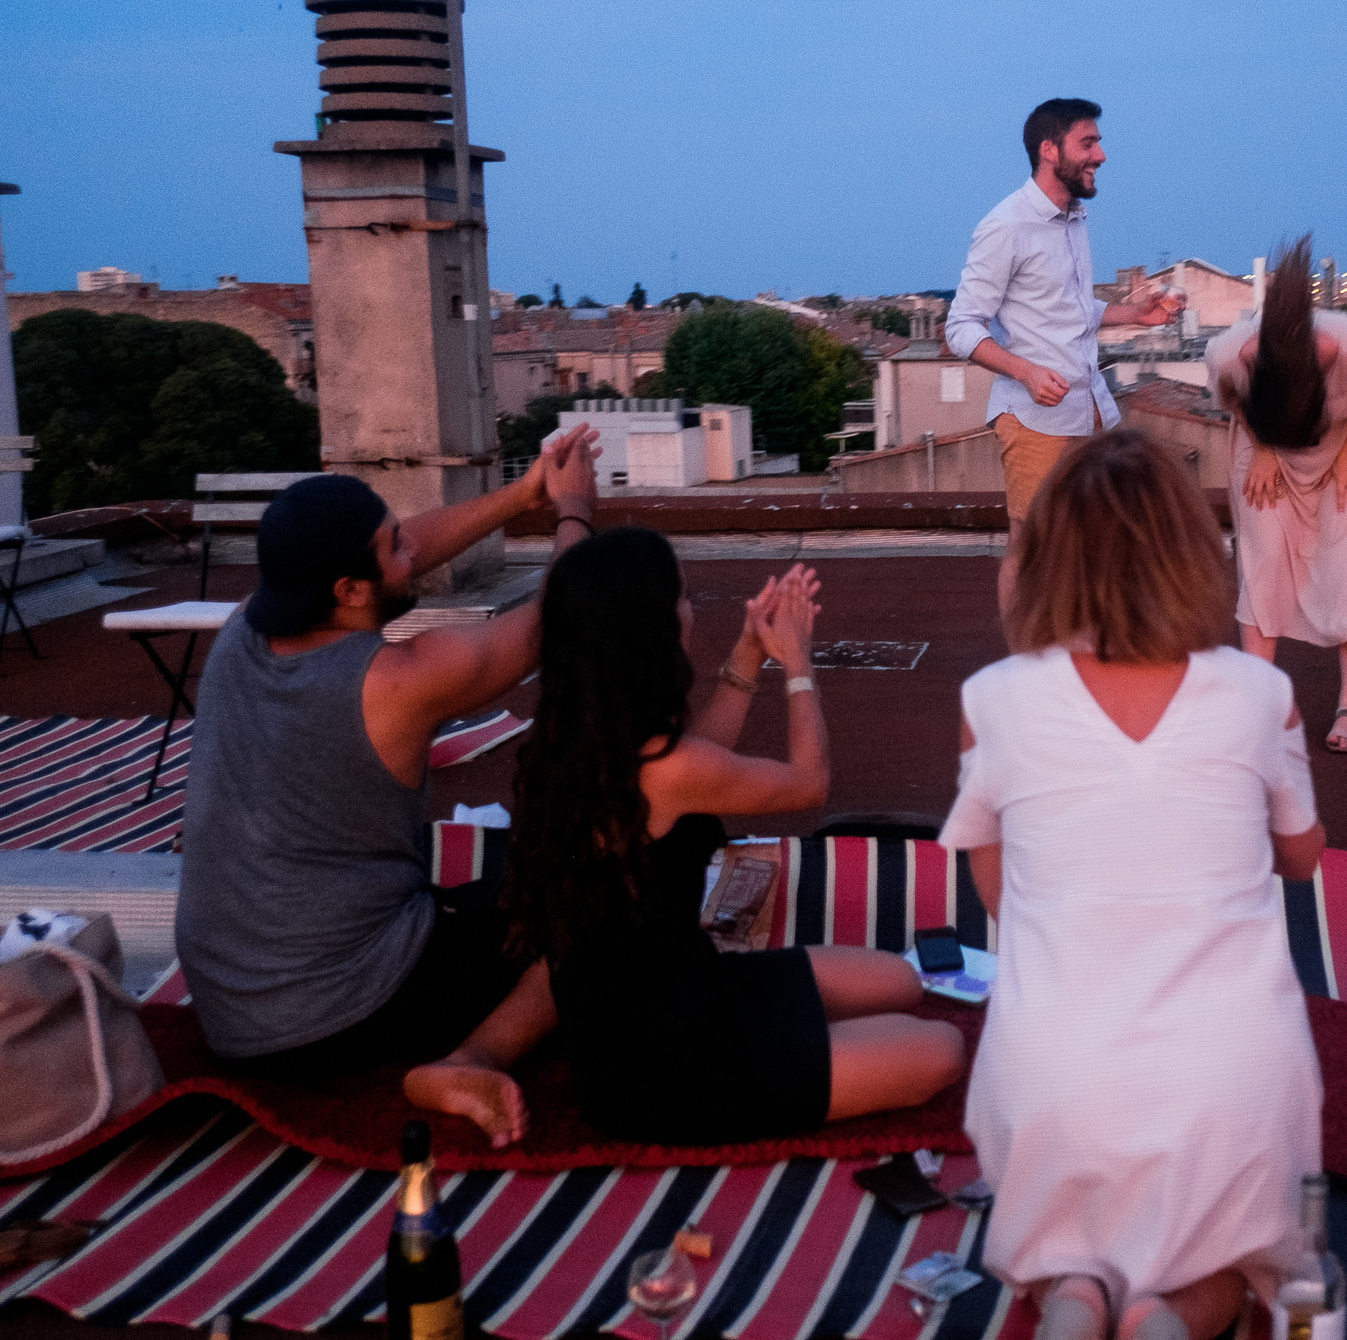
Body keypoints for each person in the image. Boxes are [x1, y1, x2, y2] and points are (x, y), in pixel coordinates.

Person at [941, 430, 1327, 1340]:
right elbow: (1304, 860)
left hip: (1056, 1066)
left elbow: (998, 894)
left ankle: (1069, 1302)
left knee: (1055, 1238)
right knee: (1234, 1260)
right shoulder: (1259, 695)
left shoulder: (992, 707)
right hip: (1230, 1073)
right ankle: (1164, 1328)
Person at [402, 530, 965, 1148]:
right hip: (674, 1068)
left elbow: (698, 764)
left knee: (902, 983)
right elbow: (809, 784)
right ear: (653, 628)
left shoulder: (574, 750)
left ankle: (470, 1057)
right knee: (942, 1048)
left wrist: (750, 653)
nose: (690, 608)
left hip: (675, 997)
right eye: (683, 597)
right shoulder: (668, 769)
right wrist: (799, 664)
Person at [175, 430, 601, 1073]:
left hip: (232, 1014)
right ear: (349, 589)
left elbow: (411, 546)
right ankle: (473, 1062)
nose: (413, 549)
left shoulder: (243, 629)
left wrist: (522, 493)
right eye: (394, 545)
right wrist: (575, 509)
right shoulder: (394, 681)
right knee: (605, 909)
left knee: (514, 874)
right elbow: (560, 619)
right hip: (346, 1015)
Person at [943, 98, 1183, 585]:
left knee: (1091, 543)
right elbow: (960, 327)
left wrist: (1134, 314)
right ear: (1049, 150)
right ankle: (1027, 661)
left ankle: (1079, 655)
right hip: (1034, 420)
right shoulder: (1005, 226)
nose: (1101, 155)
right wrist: (1026, 372)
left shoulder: (1073, 218)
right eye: (1088, 143)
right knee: (1031, 546)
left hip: (1088, 408)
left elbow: (1072, 311)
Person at [1206, 237, 1347, 753]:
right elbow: (1233, 400)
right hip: (1266, 445)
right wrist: (1262, 445)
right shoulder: (1229, 354)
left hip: (1345, 445)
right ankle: (1260, 704)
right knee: (1262, 569)